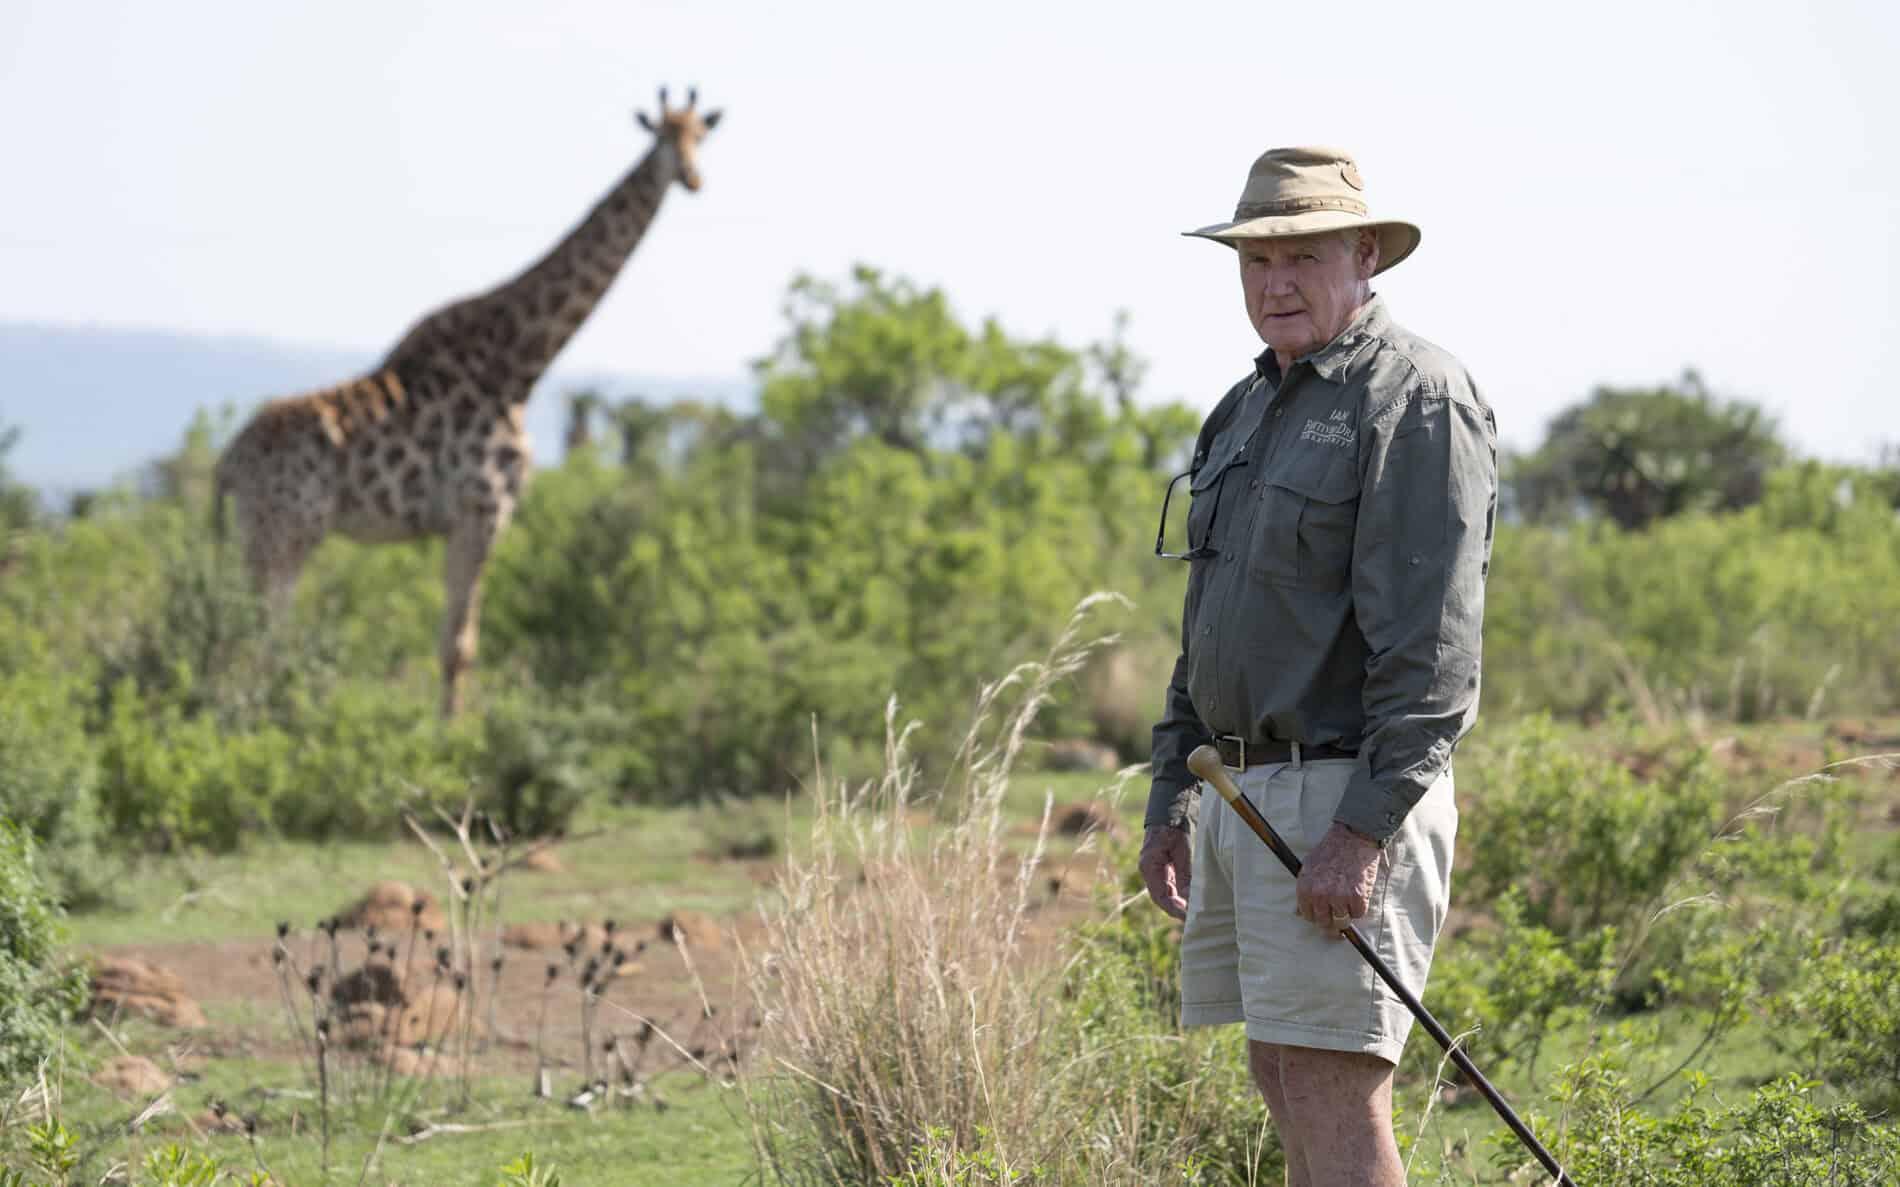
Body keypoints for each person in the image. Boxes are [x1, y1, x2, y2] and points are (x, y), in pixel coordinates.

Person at [1139, 146, 1497, 1187]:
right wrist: (1169, 795)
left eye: (1301, 254)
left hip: (1343, 796)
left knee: (1335, 1084)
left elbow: (1435, 650)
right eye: (1255, 258)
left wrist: (1360, 830)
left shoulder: (1415, 395)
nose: (1274, 281)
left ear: (1365, 256)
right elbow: (1207, 621)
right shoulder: (1246, 407)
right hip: (1240, 791)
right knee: (1283, 1071)